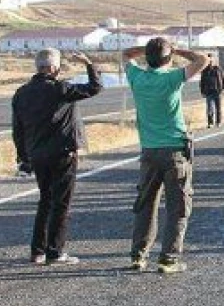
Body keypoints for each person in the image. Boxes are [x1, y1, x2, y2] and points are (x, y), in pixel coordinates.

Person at [121, 38, 209, 273]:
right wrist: (177, 50)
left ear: (147, 57)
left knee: (145, 206)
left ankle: (138, 256)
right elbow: (203, 60)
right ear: (168, 59)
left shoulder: (137, 78)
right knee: (178, 207)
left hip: (148, 151)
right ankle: (169, 258)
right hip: (175, 151)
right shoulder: (171, 79)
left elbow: (125, 55)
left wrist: (149, 50)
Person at [11, 49, 103, 264]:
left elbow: (18, 130)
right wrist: (89, 64)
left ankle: (37, 251)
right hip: (63, 154)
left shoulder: (21, 93)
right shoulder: (61, 89)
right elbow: (95, 88)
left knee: (45, 200)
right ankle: (55, 251)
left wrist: (23, 158)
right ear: (54, 68)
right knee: (61, 203)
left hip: (37, 155)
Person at [199, 55, 224, 128]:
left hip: (218, 91)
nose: (210, 62)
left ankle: (218, 122)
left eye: (211, 60)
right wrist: (202, 92)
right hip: (209, 92)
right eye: (209, 61)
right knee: (210, 108)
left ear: (213, 60)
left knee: (218, 108)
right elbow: (202, 82)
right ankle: (210, 123)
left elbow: (223, 79)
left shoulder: (218, 69)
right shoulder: (204, 71)